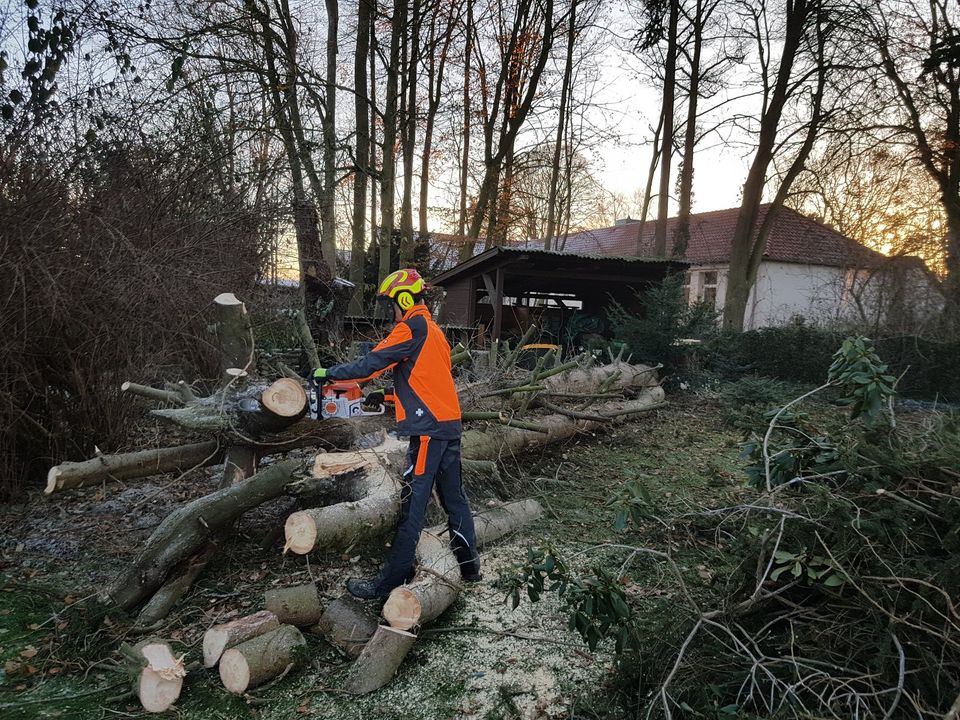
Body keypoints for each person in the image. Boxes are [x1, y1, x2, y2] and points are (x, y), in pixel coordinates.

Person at [312, 268, 481, 599]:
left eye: (392, 304)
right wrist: (389, 396)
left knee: (412, 502)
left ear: (404, 299)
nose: (391, 311)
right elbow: (425, 379)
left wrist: (328, 373)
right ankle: (470, 567)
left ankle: (391, 579)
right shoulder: (434, 331)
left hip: (429, 431)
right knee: (454, 499)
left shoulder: (411, 327)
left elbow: (371, 363)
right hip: (449, 425)